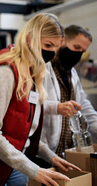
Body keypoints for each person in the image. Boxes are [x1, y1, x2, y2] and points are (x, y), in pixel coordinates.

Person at [0, 13, 80, 186]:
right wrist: (33, 169)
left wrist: (51, 157)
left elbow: (24, 132)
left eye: (55, 48)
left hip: (16, 164)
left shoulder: (31, 75)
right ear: (30, 38)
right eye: (48, 45)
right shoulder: (6, 72)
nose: (51, 53)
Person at [41, 24, 97, 159]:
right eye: (76, 47)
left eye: (82, 51)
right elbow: (30, 106)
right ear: (62, 41)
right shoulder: (44, 69)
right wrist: (56, 107)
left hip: (65, 149)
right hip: (43, 150)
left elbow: (84, 105)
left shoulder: (72, 73)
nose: (77, 54)